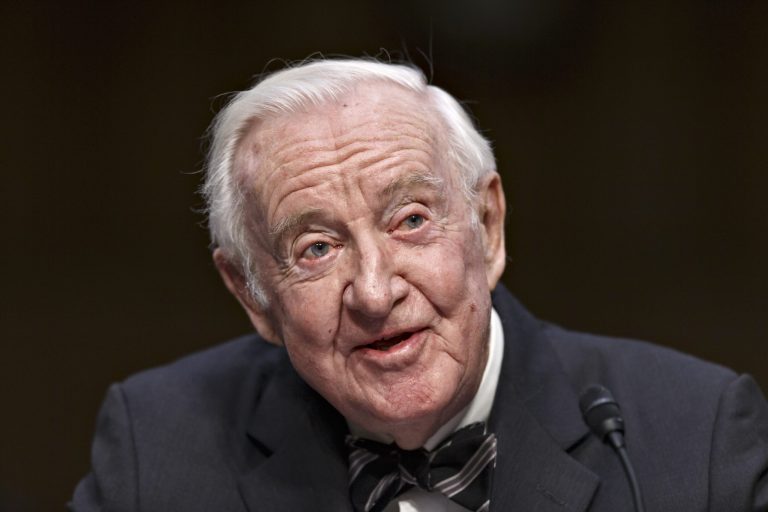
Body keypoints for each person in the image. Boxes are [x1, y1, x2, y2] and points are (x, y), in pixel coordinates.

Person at [71, 59, 768, 512]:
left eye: (409, 220)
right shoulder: (155, 449)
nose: (375, 291)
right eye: (316, 248)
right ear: (252, 294)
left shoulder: (693, 440)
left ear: (488, 227)